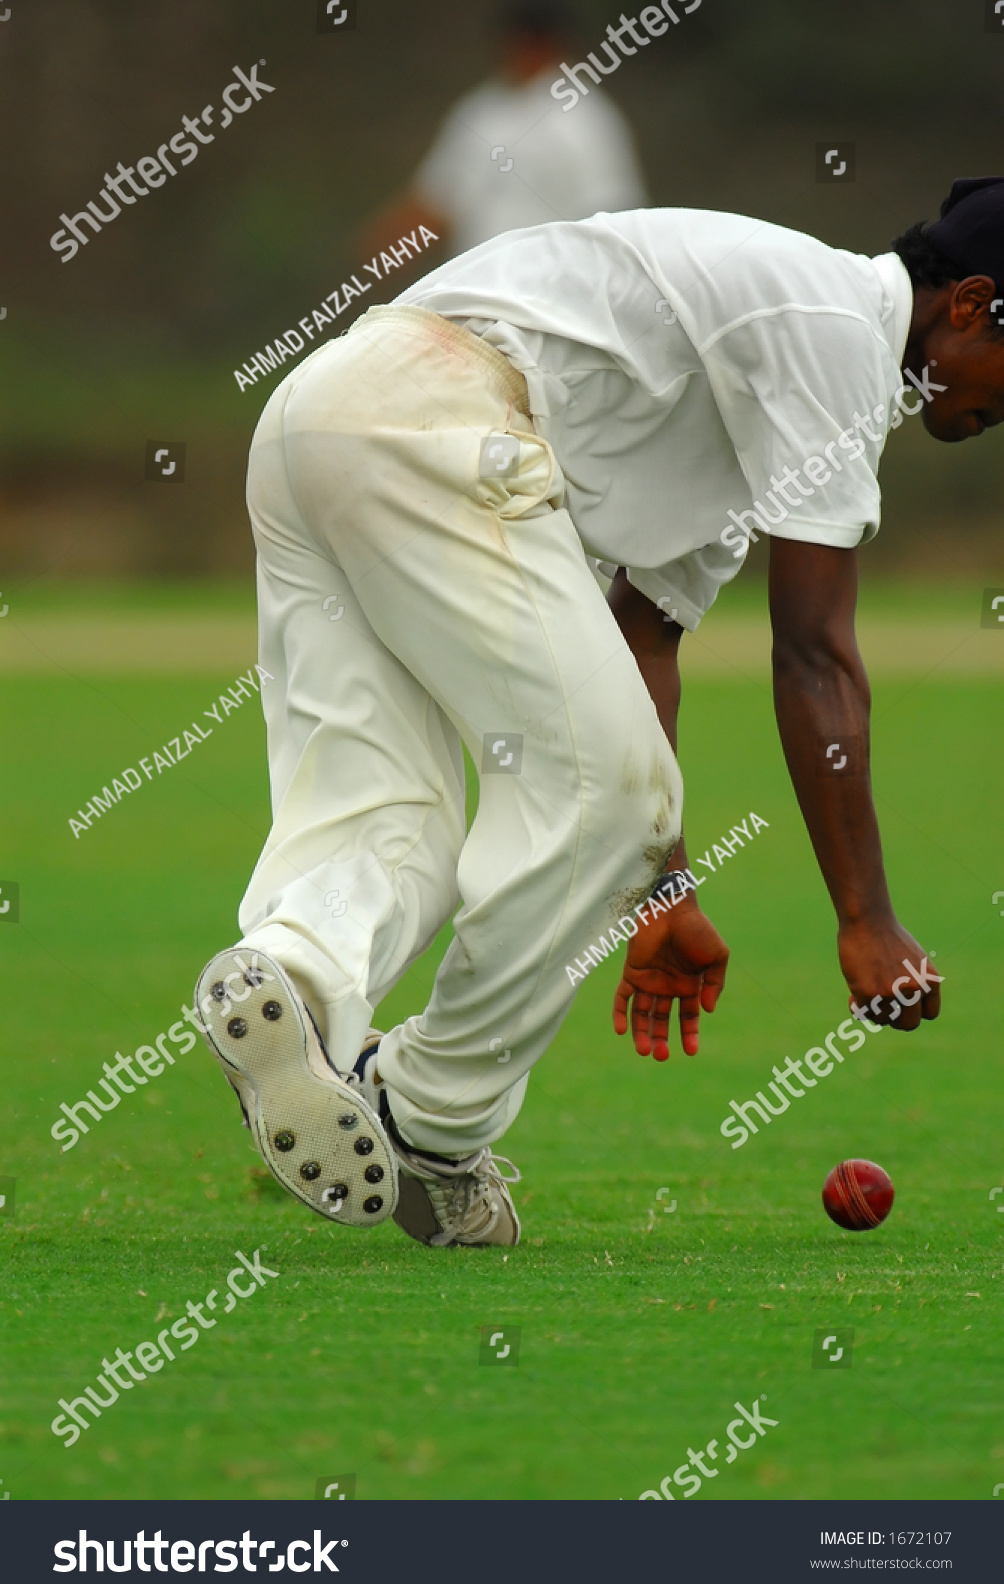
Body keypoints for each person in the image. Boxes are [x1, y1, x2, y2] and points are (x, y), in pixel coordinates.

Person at [195, 177, 1004, 1249]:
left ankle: (291, 978)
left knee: (392, 801)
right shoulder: (834, 336)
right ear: (970, 304)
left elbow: (640, 640)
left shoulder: (755, 388)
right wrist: (864, 920)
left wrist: (661, 887)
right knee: (608, 793)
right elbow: (814, 654)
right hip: (438, 414)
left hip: (316, 417)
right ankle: (428, 1119)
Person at [359, 1, 647, 262]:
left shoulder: (586, 121)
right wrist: (378, 256)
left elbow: (613, 217)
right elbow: (438, 201)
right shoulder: (482, 111)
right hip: (475, 290)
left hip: (549, 298)